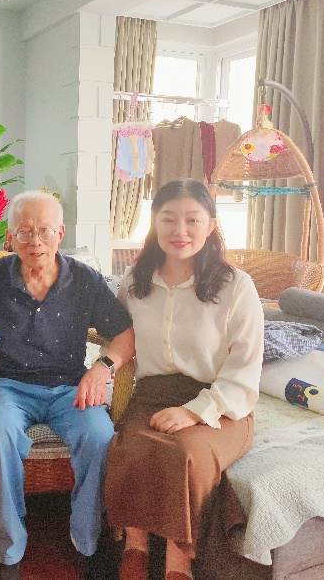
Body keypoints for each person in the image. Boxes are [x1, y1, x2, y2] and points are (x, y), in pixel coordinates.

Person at [0, 190, 135, 580]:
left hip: (69, 387)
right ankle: (9, 541)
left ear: (60, 233)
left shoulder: (84, 280)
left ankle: (87, 537)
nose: (35, 241)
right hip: (9, 386)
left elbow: (125, 334)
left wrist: (103, 366)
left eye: (44, 231)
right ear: (10, 237)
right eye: (24, 231)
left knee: (100, 436)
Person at [104, 179, 264, 580]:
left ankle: (179, 565)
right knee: (129, 444)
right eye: (169, 219)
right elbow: (119, 337)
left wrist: (194, 411)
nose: (180, 230)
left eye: (192, 220)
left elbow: (245, 370)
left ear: (210, 224)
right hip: (150, 396)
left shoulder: (236, 286)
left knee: (185, 453)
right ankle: (135, 550)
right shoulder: (135, 282)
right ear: (154, 223)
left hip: (221, 406)